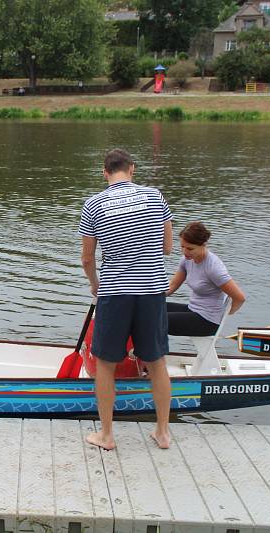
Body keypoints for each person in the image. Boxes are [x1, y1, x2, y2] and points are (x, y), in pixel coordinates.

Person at [79, 148, 173, 451]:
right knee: (156, 362)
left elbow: (87, 259)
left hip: (115, 291)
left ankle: (107, 436)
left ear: (104, 172)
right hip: (152, 290)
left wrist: (95, 285)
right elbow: (169, 247)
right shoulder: (155, 195)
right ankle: (162, 433)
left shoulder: (93, 203)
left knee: (105, 364)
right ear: (131, 169)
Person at [167, 222, 245, 336]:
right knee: (151, 308)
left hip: (208, 321)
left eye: (190, 248)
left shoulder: (213, 268)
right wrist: (148, 297)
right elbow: (172, 285)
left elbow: (239, 298)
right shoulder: (186, 260)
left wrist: (225, 315)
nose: (185, 252)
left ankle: (149, 351)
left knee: (153, 319)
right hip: (192, 310)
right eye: (182, 247)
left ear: (203, 244)